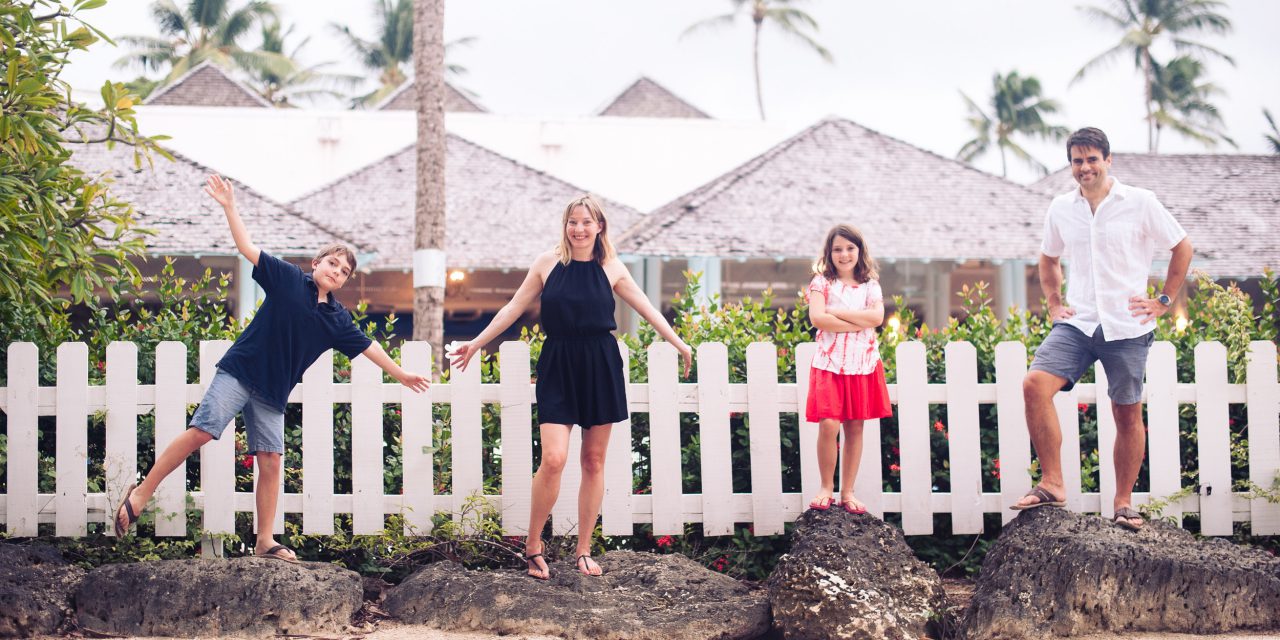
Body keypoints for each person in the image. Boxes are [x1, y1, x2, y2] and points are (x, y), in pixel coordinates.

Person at [113, 175, 430, 561]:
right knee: (200, 432)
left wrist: (401, 373)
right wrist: (230, 205)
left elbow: (368, 346)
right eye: (332, 263)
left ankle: (265, 541)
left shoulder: (337, 318)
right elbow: (247, 247)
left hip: (273, 391)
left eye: (344, 270)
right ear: (316, 263)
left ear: (346, 280)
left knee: (271, 460)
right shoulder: (288, 279)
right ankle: (142, 492)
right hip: (240, 372)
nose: (336, 271)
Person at [448, 194, 692, 579]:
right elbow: (513, 307)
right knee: (555, 459)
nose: (579, 229)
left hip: (600, 364)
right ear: (565, 226)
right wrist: (476, 343)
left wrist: (678, 342)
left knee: (593, 461)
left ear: (600, 227)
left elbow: (646, 307)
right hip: (559, 363)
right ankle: (533, 545)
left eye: (586, 222)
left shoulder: (611, 267)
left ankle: (583, 550)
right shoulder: (548, 263)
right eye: (572, 222)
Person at [1012, 127, 1193, 532]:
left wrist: (1163, 300)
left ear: (1108, 160)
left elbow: (1182, 246)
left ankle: (1124, 502)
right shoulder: (1061, 207)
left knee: (1126, 413)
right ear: (1070, 164)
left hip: (1127, 325)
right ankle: (1053, 483)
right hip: (1078, 322)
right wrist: (1056, 304)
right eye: (1077, 160)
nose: (1084, 167)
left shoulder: (1140, 202)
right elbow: (1048, 258)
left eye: (1092, 159)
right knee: (1034, 385)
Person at [804, 224, 892, 515]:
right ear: (830, 253)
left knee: (855, 426)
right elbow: (818, 318)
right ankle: (826, 487)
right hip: (829, 363)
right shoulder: (821, 283)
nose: (844, 254)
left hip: (863, 364)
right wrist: (859, 321)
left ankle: (848, 492)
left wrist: (837, 313)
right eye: (838, 248)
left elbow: (877, 317)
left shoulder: (871, 285)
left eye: (850, 248)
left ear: (860, 250)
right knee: (829, 423)